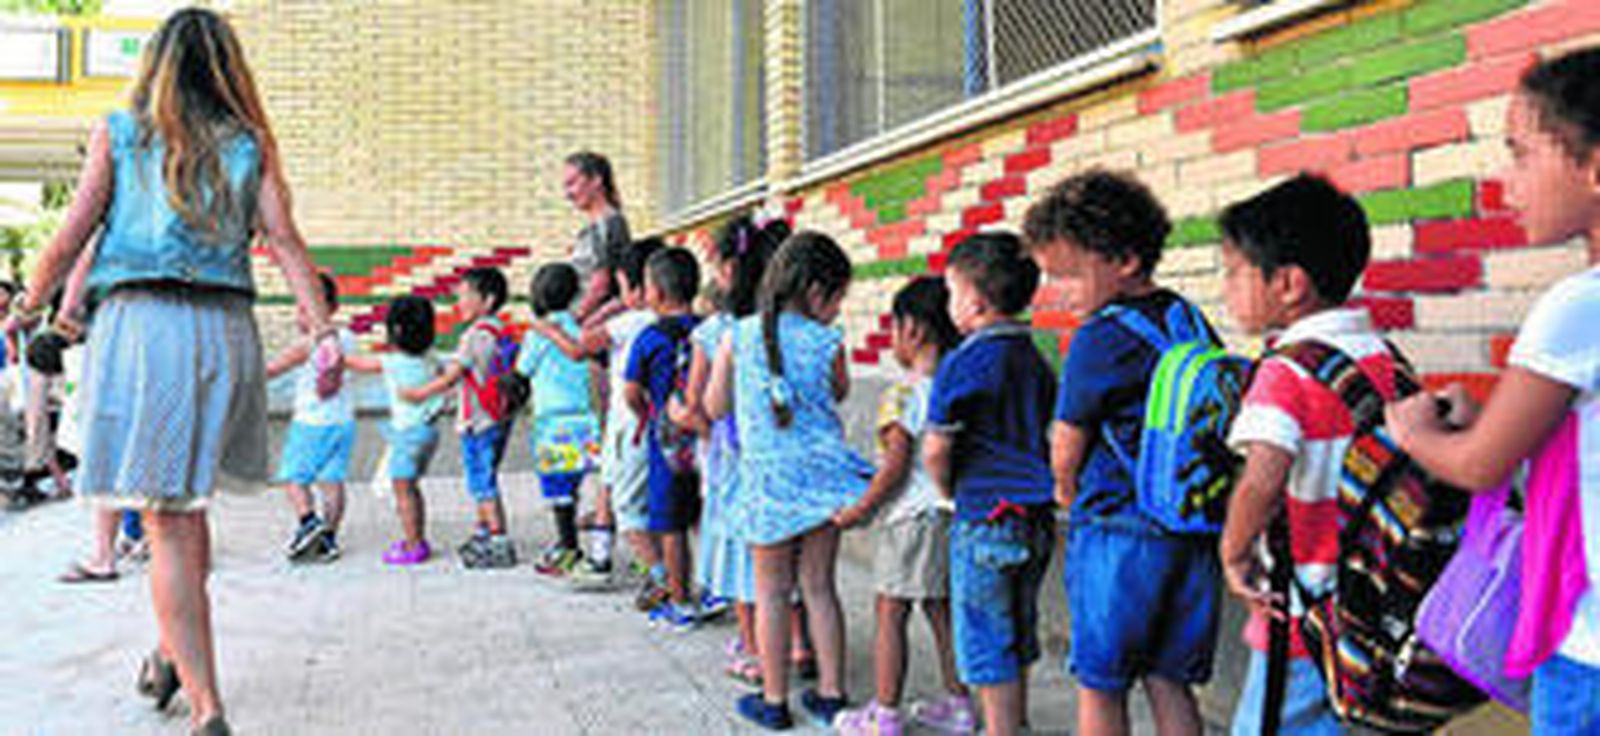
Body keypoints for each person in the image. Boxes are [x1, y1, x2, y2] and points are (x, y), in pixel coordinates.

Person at [1, 8, 337, 733]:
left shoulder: (121, 132)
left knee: (165, 522)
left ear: (153, 62)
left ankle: (207, 705)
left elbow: (69, 235)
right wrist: (324, 330)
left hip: (144, 331)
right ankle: (168, 658)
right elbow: (284, 239)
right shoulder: (251, 144)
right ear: (227, 68)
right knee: (186, 513)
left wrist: (27, 305)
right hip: (224, 332)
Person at [1386, 48, 1600, 735]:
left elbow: (1480, 464)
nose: (1506, 184)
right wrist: (1499, 420)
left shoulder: (1577, 306)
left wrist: (1412, 432)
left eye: (1520, 154)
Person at [1024, 171, 1223, 736]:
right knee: (1170, 678)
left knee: (1102, 685)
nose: (1057, 293)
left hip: (1119, 531)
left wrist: (1064, 492)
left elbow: (1067, 437)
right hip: (1192, 526)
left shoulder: (1098, 337)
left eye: (1067, 277)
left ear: (1126, 259)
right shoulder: (1188, 317)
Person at [1212, 174, 1388, 735]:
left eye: (1234, 272)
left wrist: (1232, 550)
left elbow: (1262, 479)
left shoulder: (1284, 372)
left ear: (1288, 283)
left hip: (1302, 611)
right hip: (1374, 607)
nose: (1226, 289)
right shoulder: (1383, 358)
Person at [708, 231, 871, 729]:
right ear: (818, 291)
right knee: (820, 587)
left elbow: (714, 407)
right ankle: (831, 693)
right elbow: (839, 392)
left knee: (771, 594)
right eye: (839, 297)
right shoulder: (829, 340)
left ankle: (775, 700)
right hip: (823, 478)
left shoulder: (738, 335)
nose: (839, 309)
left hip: (766, 484)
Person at [922, 233, 1056, 736]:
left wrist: (947, 491)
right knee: (1017, 633)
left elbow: (937, 448)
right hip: (1037, 519)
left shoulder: (963, 361)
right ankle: (1014, 724)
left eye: (952, 291)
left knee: (985, 643)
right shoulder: (1036, 357)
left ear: (974, 301)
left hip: (985, 518)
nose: (949, 303)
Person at [833, 277, 974, 736]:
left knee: (889, 613)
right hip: (948, 515)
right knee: (942, 611)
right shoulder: (955, 387)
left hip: (908, 519)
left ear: (912, 330)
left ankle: (886, 713)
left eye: (894, 329)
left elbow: (893, 469)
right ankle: (960, 703)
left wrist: (860, 510)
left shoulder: (902, 394)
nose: (893, 339)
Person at [669, 212, 782, 684]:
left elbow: (702, 407)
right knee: (784, 554)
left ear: (729, 271)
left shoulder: (717, 333)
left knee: (742, 557)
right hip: (781, 464)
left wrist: (677, 414)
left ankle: (755, 650)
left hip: (732, 464)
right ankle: (795, 644)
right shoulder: (790, 328)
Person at [529, 238, 663, 595]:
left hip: (629, 425)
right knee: (623, 488)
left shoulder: (631, 322)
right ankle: (606, 557)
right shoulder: (673, 321)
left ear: (640, 287)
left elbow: (577, 349)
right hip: (656, 425)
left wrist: (549, 330)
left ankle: (663, 578)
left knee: (624, 501)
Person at [403, 267, 518, 569]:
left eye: (465, 296)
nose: (459, 303)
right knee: (485, 476)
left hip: (478, 422)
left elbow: (452, 376)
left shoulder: (475, 335)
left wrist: (419, 393)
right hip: (498, 417)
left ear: (488, 300)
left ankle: (498, 540)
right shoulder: (500, 330)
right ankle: (484, 532)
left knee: (482, 483)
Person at [624, 247, 704, 630]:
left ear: (653, 292)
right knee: (706, 515)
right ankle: (717, 586)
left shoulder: (649, 336)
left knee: (670, 524)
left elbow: (630, 391)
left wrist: (645, 415)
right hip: (709, 438)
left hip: (667, 443)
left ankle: (680, 599)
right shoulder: (708, 328)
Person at [344, 296, 445, 565]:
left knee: (403, 491)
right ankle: (417, 538)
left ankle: (414, 545)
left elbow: (358, 364)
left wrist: (333, 354)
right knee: (411, 488)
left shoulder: (392, 362)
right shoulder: (432, 358)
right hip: (429, 432)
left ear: (395, 331)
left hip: (408, 436)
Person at [517, 263, 602, 578]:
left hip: (552, 423)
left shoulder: (539, 333)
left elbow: (522, 370)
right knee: (576, 480)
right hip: (584, 418)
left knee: (558, 489)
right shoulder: (580, 330)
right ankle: (577, 545)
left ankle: (568, 548)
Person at [265, 272, 356, 564]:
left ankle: (309, 523)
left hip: (311, 424)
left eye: (304, 307)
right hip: (343, 422)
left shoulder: (309, 343)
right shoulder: (348, 338)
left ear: (324, 309)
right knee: (332, 481)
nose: (299, 314)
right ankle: (329, 538)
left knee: (293, 478)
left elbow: (270, 371)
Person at [563, 151, 631, 323]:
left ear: (596, 180)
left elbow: (601, 285)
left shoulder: (608, 224)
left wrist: (573, 320)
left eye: (572, 183)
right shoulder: (596, 227)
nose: (567, 194)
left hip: (593, 327)